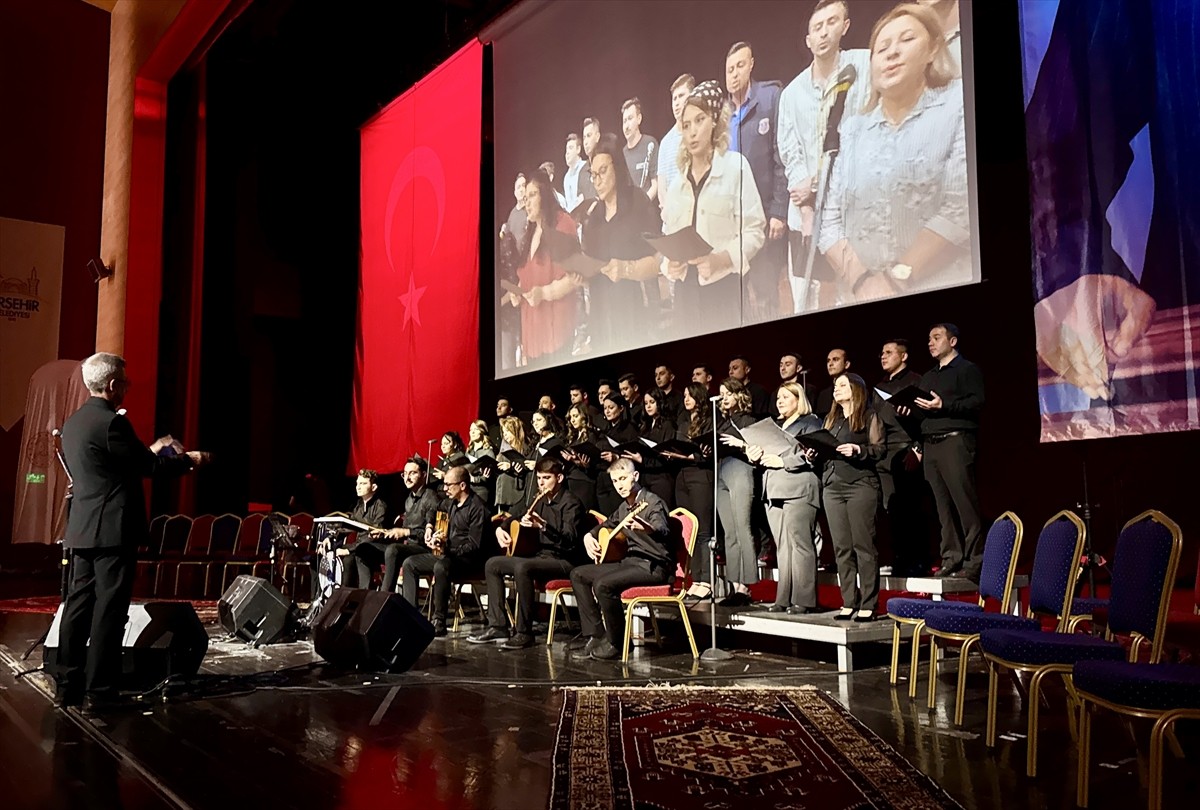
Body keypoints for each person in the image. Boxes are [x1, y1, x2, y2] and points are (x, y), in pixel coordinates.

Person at [56, 352, 209, 709]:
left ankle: (67, 686)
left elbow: (114, 464)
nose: (126, 388)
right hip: (112, 531)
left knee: (77, 608)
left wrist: (150, 452)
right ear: (112, 385)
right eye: (124, 383)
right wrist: (191, 460)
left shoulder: (75, 423)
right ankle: (100, 692)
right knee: (109, 611)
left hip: (81, 528)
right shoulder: (112, 423)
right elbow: (151, 468)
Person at [818, 3, 968, 303]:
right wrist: (861, 281)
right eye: (881, 47)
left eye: (907, 40)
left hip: (942, 292)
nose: (892, 52)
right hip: (859, 299)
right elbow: (829, 222)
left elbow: (960, 208)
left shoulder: (958, 106)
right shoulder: (850, 131)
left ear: (932, 50)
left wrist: (897, 278)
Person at [777, 0, 872, 311]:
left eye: (832, 23)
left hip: (854, 206)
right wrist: (806, 206)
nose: (824, 32)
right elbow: (790, 153)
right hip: (803, 216)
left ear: (845, 26)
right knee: (806, 298)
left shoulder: (864, 66)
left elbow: (862, 137)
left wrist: (816, 186)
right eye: (817, 27)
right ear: (808, 39)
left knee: (857, 288)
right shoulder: (791, 93)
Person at [661, 80, 765, 337]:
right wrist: (668, 265)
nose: (693, 132)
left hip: (725, 290)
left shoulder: (734, 167)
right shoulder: (677, 185)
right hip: (685, 296)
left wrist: (722, 259)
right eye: (686, 126)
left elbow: (754, 231)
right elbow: (668, 236)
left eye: (699, 120)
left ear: (715, 122)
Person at [468, 458, 586, 650]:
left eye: (546, 478)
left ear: (560, 478)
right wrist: (502, 528)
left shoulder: (571, 503)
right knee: (493, 564)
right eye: (539, 478)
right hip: (541, 557)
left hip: (564, 560)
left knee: (523, 566)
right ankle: (498, 625)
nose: (541, 483)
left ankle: (524, 632)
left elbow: (570, 540)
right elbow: (515, 515)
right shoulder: (539, 500)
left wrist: (543, 526)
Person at [567, 459, 673, 660]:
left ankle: (618, 642)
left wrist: (647, 528)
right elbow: (607, 523)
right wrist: (589, 535)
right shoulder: (624, 507)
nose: (619, 485)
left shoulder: (652, 502)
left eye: (623, 479)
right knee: (578, 574)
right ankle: (596, 635)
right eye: (615, 481)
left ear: (636, 476)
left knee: (603, 584)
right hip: (630, 562)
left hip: (653, 565)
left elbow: (663, 528)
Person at [909, 323, 984, 580]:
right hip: (931, 444)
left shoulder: (967, 369)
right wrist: (909, 410)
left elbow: (977, 402)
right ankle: (951, 557)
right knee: (941, 507)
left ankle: (975, 562)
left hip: (955, 441)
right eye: (929, 338)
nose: (930, 342)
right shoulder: (928, 376)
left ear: (952, 341)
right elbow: (925, 411)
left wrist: (945, 404)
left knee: (965, 503)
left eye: (936, 337)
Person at [724, 41, 790, 322]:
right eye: (729, 69)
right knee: (739, 295)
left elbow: (782, 157)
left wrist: (778, 211)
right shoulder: (721, 115)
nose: (735, 73)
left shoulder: (771, 97)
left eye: (740, 65)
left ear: (751, 64)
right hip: (732, 223)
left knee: (766, 291)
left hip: (764, 218)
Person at [579, 136, 662, 355]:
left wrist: (626, 269)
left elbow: (657, 262)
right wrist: (581, 275)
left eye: (603, 171)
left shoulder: (638, 201)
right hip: (601, 323)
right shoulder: (592, 218)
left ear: (617, 167)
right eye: (593, 175)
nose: (597, 180)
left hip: (634, 318)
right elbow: (589, 266)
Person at [744, 383, 822, 614]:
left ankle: (804, 599)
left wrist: (784, 462)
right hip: (774, 489)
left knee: (801, 544)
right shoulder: (775, 426)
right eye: (778, 397)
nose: (779, 401)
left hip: (798, 487)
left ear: (799, 399)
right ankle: (783, 598)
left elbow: (813, 455)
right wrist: (753, 454)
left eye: (785, 396)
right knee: (783, 546)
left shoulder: (811, 422)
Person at [823, 373, 884, 621]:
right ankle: (849, 601)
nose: (836, 389)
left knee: (863, 545)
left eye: (842, 385)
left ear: (856, 389)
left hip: (860, 485)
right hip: (832, 487)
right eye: (835, 386)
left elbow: (879, 449)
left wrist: (858, 449)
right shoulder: (832, 420)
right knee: (842, 547)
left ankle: (868, 603)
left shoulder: (868, 416)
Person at [400, 466, 490, 636]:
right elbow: (435, 510)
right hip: (450, 555)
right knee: (410, 563)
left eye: (449, 485)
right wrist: (434, 534)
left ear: (462, 486)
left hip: (469, 561)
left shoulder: (478, 508)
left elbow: (474, 545)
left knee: (441, 566)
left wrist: (447, 548)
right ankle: (410, 615)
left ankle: (439, 620)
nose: (444, 488)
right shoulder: (452, 504)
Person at [504, 171, 581, 366]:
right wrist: (518, 292)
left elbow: (574, 277)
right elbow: (528, 275)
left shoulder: (563, 223)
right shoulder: (530, 231)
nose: (526, 202)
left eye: (532, 195)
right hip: (533, 330)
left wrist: (544, 293)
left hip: (555, 329)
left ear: (545, 194)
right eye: (525, 197)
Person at [875, 339, 928, 575]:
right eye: (882, 353)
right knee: (891, 509)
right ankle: (898, 557)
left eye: (889, 352)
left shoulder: (916, 380)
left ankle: (917, 560)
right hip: (884, 454)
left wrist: (917, 448)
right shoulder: (880, 386)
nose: (883, 357)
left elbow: (927, 419)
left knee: (911, 509)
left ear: (903, 356)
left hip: (907, 449)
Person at [361, 457, 441, 594]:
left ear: (423, 475)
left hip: (423, 548)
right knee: (364, 549)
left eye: (412, 473)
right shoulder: (409, 499)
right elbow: (402, 530)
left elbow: (429, 532)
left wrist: (405, 532)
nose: (407, 478)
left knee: (393, 550)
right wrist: (385, 532)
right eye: (405, 474)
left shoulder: (431, 497)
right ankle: (364, 594)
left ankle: (385, 597)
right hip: (407, 547)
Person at [669, 382, 717, 599]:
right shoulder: (683, 422)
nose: (686, 399)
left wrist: (691, 456)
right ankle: (694, 578)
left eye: (690, 395)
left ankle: (706, 580)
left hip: (701, 475)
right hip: (682, 476)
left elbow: (711, 452)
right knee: (690, 530)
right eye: (685, 395)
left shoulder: (710, 421)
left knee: (704, 530)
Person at [714, 378, 758, 606]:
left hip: (740, 469)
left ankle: (746, 586)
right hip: (721, 470)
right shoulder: (721, 422)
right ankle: (734, 584)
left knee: (742, 527)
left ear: (738, 395)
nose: (724, 398)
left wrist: (739, 443)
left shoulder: (747, 420)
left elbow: (758, 447)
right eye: (721, 394)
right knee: (729, 532)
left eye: (728, 393)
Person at [338, 469, 393, 588]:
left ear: (373, 487)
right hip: (359, 546)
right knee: (328, 552)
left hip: (376, 549)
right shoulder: (358, 506)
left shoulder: (380, 506)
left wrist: (350, 550)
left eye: (363, 484)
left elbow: (375, 535)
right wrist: (332, 538)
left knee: (352, 558)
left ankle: (359, 596)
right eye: (358, 483)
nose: (358, 487)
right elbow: (348, 526)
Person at [622, 388, 676, 508]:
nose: (648, 406)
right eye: (646, 403)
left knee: (661, 516)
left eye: (652, 402)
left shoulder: (667, 425)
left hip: (661, 479)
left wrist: (642, 460)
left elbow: (667, 457)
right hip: (645, 478)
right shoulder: (645, 426)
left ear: (660, 403)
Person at [657, 74, 696, 220]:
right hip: (672, 221)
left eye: (681, 96)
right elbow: (662, 186)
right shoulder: (666, 142)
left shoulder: (699, 135)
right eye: (674, 99)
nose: (677, 103)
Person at [596, 394, 640, 516]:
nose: (607, 411)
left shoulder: (629, 429)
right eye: (605, 408)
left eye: (611, 407)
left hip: (619, 480)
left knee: (620, 516)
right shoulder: (604, 430)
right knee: (607, 519)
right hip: (602, 479)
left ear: (621, 408)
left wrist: (616, 457)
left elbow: (635, 455)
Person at [562, 402, 601, 511]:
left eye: (575, 416)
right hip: (571, 480)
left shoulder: (591, 436)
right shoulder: (572, 438)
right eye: (570, 417)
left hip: (585, 482)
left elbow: (596, 463)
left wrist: (584, 464)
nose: (572, 420)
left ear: (584, 416)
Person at [621, 97, 658, 200]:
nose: (626, 126)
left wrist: (643, 205)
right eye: (624, 121)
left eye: (630, 119)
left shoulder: (650, 144)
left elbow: (656, 183)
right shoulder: (622, 154)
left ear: (639, 119)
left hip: (648, 209)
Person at [495, 415, 531, 514]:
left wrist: (510, 467)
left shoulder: (525, 448)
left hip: (516, 493)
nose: (505, 435)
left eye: (508, 431)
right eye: (504, 431)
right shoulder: (504, 448)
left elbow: (526, 468)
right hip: (502, 492)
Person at [465, 420, 496, 505]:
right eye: (471, 430)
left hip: (480, 492)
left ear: (482, 431)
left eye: (476, 429)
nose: (472, 432)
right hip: (467, 491)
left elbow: (489, 476)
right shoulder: (468, 452)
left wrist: (474, 479)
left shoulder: (488, 452)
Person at [815, 347, 850, 415]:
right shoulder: (823, 394)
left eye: (835, 359)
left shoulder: (856, 388)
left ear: (847, 364)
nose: (830, 364)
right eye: (828, 360)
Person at [562, 133, 587, 212]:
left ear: (578, 149)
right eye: (566, 149)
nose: (567, 152)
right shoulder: (566, 177)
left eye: (570, 148)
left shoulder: (586, 167)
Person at [578, 117, 601, 199]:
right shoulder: (582, 172)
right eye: (584, 138)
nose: (586, 142)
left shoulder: (606, 165)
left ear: (597, 137)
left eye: (589, 136)